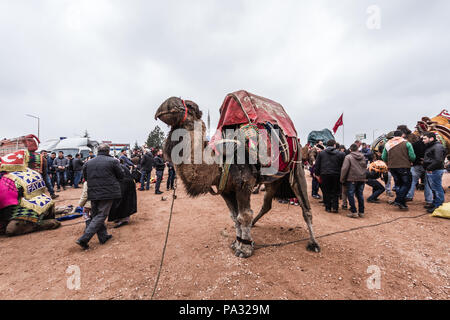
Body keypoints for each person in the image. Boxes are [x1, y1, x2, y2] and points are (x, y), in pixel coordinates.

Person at [76, 144, 124, 250]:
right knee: (101, 215)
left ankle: (103, 236)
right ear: (108, 151)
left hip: (93, 193)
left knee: (96, 215)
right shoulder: (113, 161)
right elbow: (121, 175)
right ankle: (84, 238)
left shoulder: (88, 163)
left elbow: (86, 178)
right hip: (107, 193)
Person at [381, 130, 416, 210]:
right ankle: (399, 200)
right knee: (406, 184)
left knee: (398, 184)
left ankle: (402, 203)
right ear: (402, 135)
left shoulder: (388, 144)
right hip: (404, 166)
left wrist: (389, 161)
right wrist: (410, 160)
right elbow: (412, 156)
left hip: (392, 167)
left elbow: (384, 157)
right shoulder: (407, 143)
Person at [315, 139, 345, 213]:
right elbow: (343, 166)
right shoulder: (341, 154)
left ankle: (328, 207)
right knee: (336, 191)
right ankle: (335, 207)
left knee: (326, 191)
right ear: (334, 145)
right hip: (336, 174)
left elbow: (317, 165)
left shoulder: (321, 154)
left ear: (327, 145)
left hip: (324, 174)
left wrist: (317, 174)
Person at [109, 159, 137, 228]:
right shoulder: (120, 166)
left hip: (125, 184)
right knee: (122, 201)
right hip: (126, 184)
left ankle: (124, 219)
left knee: (123, 201)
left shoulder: (117, 167)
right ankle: (120, 217)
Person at [341, 144, 367, 218]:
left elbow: (344, 169)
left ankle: (354, 212)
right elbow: (365, 167)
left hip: (351, 178)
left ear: (350, 149)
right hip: (362, 178)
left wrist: (342, 179)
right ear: (357, 149)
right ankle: (361, 212)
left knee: (350, 194)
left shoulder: (348, 157)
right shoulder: (363, 156)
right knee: (360, 195)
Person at [422, 132, 446, 213]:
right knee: (434, 188)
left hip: (435, 170)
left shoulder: (437, 147)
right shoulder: (432, 146)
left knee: (437, 188)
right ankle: (435, 203)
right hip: (433, 170)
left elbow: (438, 160)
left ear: (431, 138)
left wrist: (429, 167)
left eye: (425, 138)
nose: (423, 140)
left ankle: (438, 205)